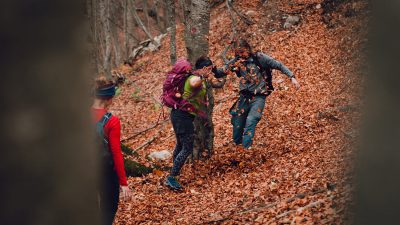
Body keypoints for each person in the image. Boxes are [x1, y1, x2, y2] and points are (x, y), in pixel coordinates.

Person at [224, 39, 300, 149]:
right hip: (244, 97)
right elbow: (223, 70)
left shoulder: (260, 58)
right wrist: (214, 72)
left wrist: (292, 77)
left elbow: (279, 65)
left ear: (248, 49)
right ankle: (237, 149)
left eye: (242, 52)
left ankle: (246, 150)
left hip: (258, 97)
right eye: (238, 53)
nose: (241, 55)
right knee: (237, 123)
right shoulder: (237, 61)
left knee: (251, 120)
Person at [165, 57, 221, 190]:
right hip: (182, 116)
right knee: (187, 148)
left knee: (180, 145)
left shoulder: (192, 76)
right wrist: (203, 77)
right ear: (205, 68)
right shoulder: (194, 78)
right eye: (209, 70)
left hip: (180, 115)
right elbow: (195, 83)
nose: (210, 73)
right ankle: (172, 177)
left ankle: (174, 174)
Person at [92, 76, 131, 225]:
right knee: (108, 209)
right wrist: (124, 183)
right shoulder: (112, 121)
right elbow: (116, 153)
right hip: (106, 172)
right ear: (108, 99)